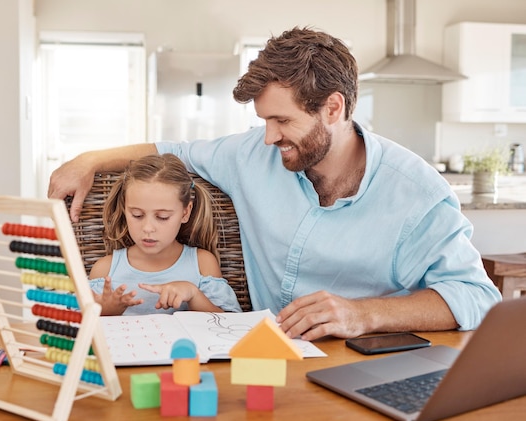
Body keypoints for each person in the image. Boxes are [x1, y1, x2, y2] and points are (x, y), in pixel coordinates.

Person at [49, 27, 501, 339]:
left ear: (333, 108)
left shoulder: (417, 193)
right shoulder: (252, 154)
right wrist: (90, 158)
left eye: (282, 120)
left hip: (369, 358)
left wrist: (362, 314)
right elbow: (173, 150)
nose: (268, 137)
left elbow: (477, 297)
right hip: (268, 354)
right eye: (264, 120)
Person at [87, 153, 242, 316]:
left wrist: (193, 294)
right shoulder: (106, 270)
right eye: (137, 215)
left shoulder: (202, 264)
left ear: (185, 212)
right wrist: (107, 311)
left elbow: (228, 324)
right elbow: (81, 329)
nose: (147, 228)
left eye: (162, 217)